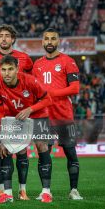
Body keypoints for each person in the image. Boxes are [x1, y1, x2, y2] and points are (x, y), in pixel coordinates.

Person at [0, 55, 53, 204]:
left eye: (10, 69)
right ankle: (7, 193)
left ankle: (46, 193)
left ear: (17, 69)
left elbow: (47, 99)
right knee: (7, 147)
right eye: (4, 70)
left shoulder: (29, 81)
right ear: (0, 70)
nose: (7, 73)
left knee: (41, 145)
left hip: (37, 115)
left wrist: (30, 109)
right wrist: (3, 137)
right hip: (16, 118)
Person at [32, 28, 83, 200]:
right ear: (42, 42)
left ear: (58, 41)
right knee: (43, 153)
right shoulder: (37, 64)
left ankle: (74, 190)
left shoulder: (68, 61)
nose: (49, 42)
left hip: (63, 115)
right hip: (43, 116)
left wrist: (50, 94)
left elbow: (75, 88)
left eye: (53, 39)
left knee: (70, 152)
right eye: (46, 39)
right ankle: (45, 191)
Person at [0, 24, 33, 200]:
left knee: (21, 151)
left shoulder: (24, 58)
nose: (4, 39)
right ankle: (2, 189)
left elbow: (30, 82)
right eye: (1, 36)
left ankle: (22, 190)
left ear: (13, 39)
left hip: (18, 114)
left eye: (7, 36)